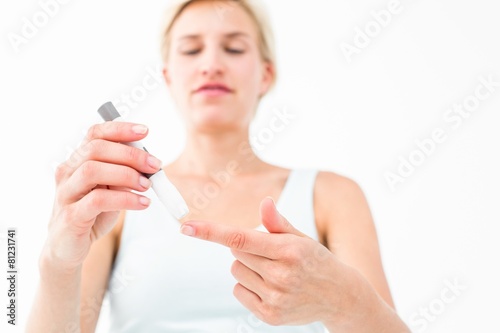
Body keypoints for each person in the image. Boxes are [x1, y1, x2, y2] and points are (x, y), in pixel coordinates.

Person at [27, 0, 411, 332]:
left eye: (233, 48)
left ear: (265, 74)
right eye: (191, 50)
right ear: (168, 77)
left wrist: (343, 300)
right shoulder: (117, 202)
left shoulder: (332, 196)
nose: (211, 64)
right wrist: (56, 263)